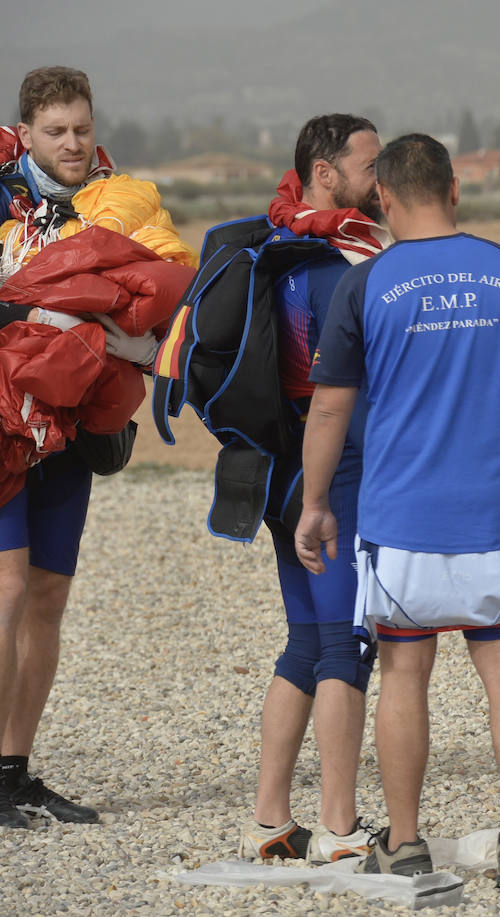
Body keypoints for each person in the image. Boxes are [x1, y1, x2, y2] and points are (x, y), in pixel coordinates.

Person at [294, 133, 500, 887]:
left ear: (382, 196)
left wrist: (316, 503)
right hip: (494, 521)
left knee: (404, 674)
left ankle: (409, 839)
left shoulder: (368, 282)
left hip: (401, 526)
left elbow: (328, 410)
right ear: (455, 187)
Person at [0, 66, 192, 830]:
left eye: (81, 127)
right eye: (56, 131)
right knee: (7, 591)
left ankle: (15, 770)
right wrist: (34, 304)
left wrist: (139, 346)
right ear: (28, 132)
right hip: (5, 420)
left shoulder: (120, 203)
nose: (73, 143)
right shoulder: (2, 199)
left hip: (72, 430)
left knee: (47, 596)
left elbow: (168, 292)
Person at [235, 114, 388, 865]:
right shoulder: (335, 266)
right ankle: (339, 826)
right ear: (324, 172)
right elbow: (336, 384)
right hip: (334, 475)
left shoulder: (278, 243)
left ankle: (269, 818)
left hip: (278, 470)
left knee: (304, 640)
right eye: (370, 164)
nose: (382, 177)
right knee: (345, 646)